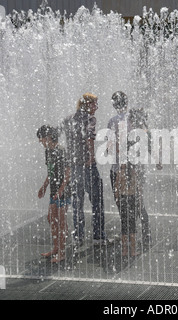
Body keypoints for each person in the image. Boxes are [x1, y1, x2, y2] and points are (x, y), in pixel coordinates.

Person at [107, 92, 154, 248]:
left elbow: (110, 147)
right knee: (138, 201)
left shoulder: (113, 122)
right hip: (137, 169)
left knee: (122, 203)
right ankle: (143, 234)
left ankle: (128, 234)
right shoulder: (135, 118)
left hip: (118, 168)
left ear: (114, 105)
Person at [59, 93, 106, 246]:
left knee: (77, 203)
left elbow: (63, 138)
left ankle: (78, 237)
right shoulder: (89, 118)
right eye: (94, 104)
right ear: (87, 104)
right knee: (97, 201)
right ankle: (98, 236)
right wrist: (91, 158)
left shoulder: (68, 118)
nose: (96, 107)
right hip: (87, 166)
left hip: (74, 166)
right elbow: (89, 138)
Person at [37, 125, 71, 263]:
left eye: (41, 138)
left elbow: (68, 172)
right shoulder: (48, 151)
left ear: (49, 136)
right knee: (51, 218)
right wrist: (44, 187)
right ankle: (56, 248)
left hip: (64, 190)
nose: (40, 141)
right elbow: (51, 172)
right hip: (54, 190)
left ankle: (62, 253)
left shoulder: (61, 151)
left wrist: (61, 191)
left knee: (61, 222)